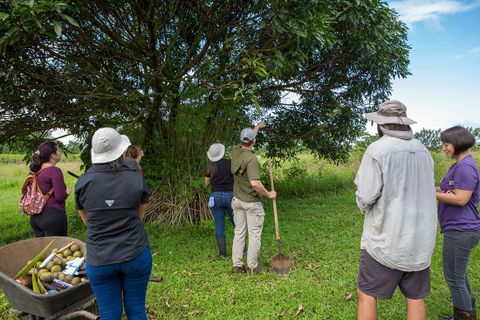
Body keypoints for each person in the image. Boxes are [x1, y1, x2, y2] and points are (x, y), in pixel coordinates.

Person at [354, 100, 437, 320]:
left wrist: (364, 206)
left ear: (381, 125)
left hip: (386, 240)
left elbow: (366, 196)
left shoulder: (377, 150)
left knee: (367, 293)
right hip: (421, 240)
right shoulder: (423, 150)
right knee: (415, 297)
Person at [75, 128, 151, 320]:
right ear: (121, 151)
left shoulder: (83, 183)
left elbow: (87, 221)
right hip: (134, 253)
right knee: (136, 308)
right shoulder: (136, 178)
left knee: (109, 313)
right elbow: (139, 216)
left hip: (100, 259)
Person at [436, 126, 480, 320]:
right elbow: (449, 190)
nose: (444, 148)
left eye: (446, 144)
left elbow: (461, 198)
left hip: (461, 229)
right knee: (458, 275)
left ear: (458, 142)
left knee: (454, 277)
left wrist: (431, 194)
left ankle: (464, 317)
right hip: (458, 227)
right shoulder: (458, 165)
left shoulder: (465, 167)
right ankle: (468, 312)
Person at [231, 121, 276, 274]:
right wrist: (269, 194)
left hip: (237, 201)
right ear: (254, 141)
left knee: (239, 232)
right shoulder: (252, 159)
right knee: (254, 234)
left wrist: (256, 128)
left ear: (241, 141)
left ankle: (237, 266)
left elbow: (248, 138)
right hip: (251, 203)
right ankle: (252, 266)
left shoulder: (235, 153)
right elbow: (255, 183)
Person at [29, 140, 70, 237]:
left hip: (36, 218)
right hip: (52, 217)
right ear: (53, 155)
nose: (60, 153)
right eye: (58, 150)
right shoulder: (54, 170)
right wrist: (67, 191)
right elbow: (60, 197)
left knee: (43, 251)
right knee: (57, 251)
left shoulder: (36, 171)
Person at [204, 143, 235, 257]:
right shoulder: (230, 163)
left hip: (215, 197)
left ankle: (222, 254)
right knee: (237, 224)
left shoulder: (210, 167)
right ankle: (243, 251)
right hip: (230, 196)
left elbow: (206, 184)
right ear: (222, 152)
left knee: (219, 225)